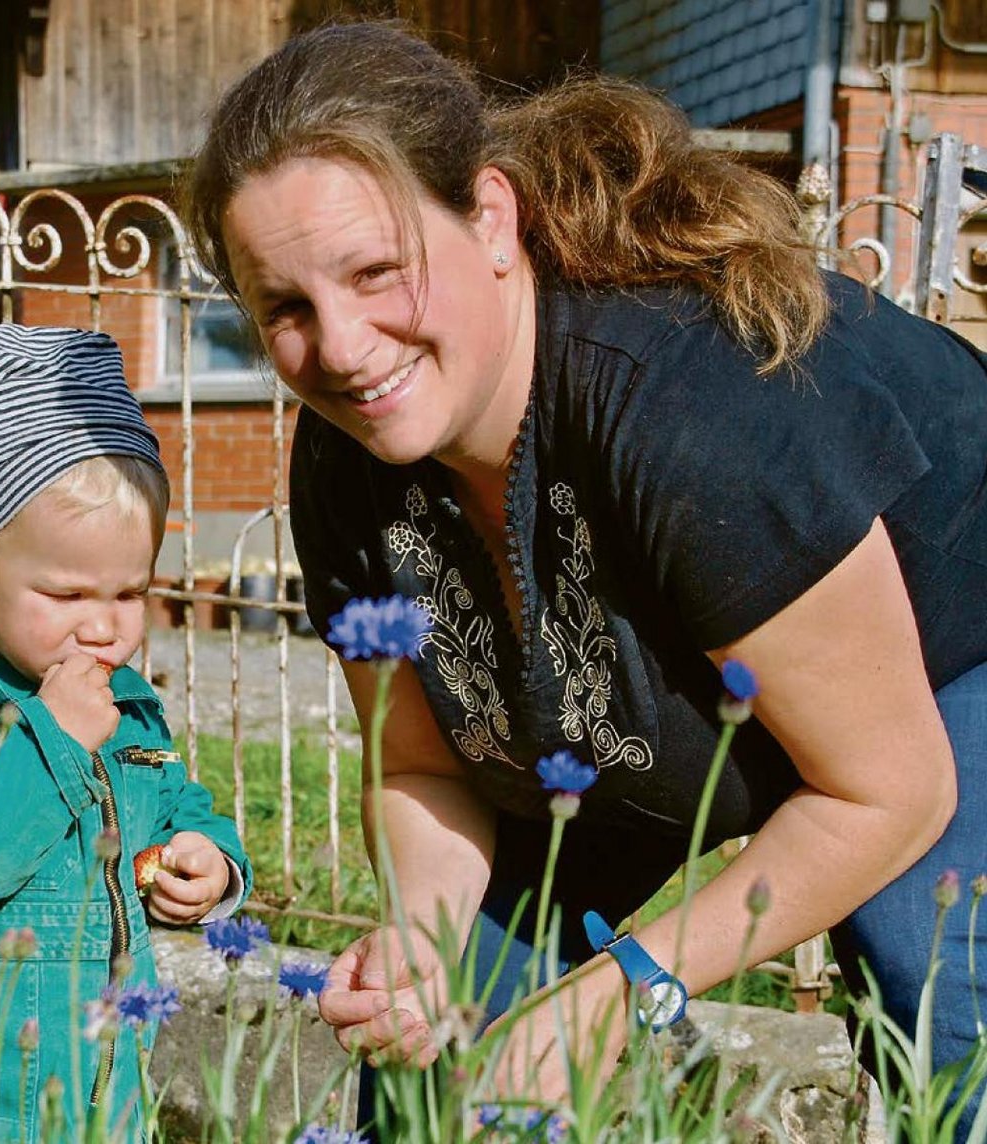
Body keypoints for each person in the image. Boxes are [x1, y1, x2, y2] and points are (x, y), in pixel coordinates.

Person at [184, 19, 987, 1137]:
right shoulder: (348, 457)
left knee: (923, 970)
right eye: (285, 309)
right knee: (446, 1023)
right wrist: (419, 942)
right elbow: (417, 765)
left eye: (375, 271)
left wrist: (622, 996)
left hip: (942, 648)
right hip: (648, 711)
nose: (344, 347)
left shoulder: (689, 408)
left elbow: (886, 789)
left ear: (492, 219)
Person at [0, 324, 251, 1140]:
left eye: (129, 593)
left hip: (101, 1090)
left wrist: (210, 863)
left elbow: (178, 804)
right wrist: (51, 739)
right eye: (67, 596)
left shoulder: (126, 705)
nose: (104, 626)